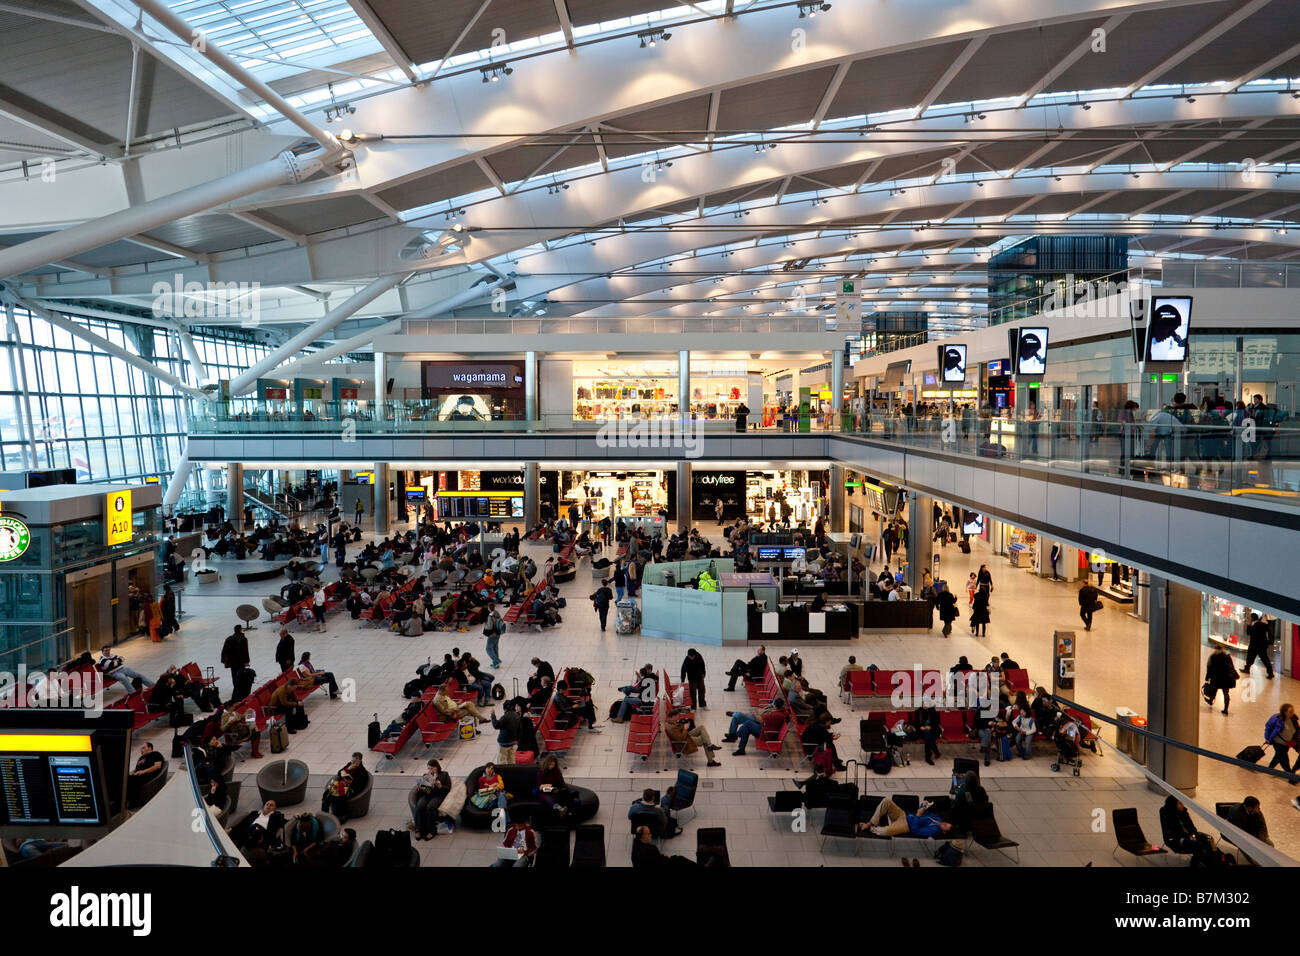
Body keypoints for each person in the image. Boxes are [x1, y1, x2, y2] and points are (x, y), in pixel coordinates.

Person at [857, 797, 954, 839]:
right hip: (904, 815)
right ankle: (871, 822)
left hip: (906, 826)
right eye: (945, 822)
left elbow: (916, 831)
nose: (943, 823)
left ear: (944, 832)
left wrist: (918, 816)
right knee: (886, 801)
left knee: (885, 832)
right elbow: (925, 812)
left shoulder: (933, 831)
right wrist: (923, 805)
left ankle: (870, 828)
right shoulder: (939, 819)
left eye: (944, 826)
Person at [321, 753, 369, 821]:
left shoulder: (362, 772)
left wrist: (351, 783)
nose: (353, 763)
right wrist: (348, 769)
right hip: (341, 785)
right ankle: (324, 814)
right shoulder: (349, 764)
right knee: (327, 793)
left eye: (355, 761)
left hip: (351, 789)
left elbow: (360, 785)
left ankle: (342, 816)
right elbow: (339, 773)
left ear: (359, 761)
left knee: (338, 797)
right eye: (352, 761)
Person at [412, 759, 452, 840]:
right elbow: (423, 789)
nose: (430, 770)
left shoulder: (444, 774)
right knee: (419, 806)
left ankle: (431, 831)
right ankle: (418, 829)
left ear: (437, 767)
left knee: (430, 807)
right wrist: (421, 787)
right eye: (428, 768)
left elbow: (448, 788)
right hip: (427, 794)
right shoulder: (426, 776)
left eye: (432, 768)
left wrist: (440, 786)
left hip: (438, 795)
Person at [1264, 703, 1299, 774]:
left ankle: (1270, 768)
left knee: (1278, 756)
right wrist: (1267, 738)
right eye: (1290, 711)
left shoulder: (1293, 719)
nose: (1292, 713)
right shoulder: (1276, 719)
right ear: (1284, 712)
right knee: (1284, 759)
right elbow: (1268, 727)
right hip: (1277, 742)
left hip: (1287, 743)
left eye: (1293, 711)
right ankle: (1290, 774)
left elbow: (1297, 729)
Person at [220, 625, 251, 705]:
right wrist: (247, 661)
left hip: (233, 663)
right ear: (240, 630)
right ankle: (240, 692)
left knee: (234, 676)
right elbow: (245, 651)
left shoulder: (229, 639)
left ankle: (236, 690)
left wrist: (224, 661)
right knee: (241, 676)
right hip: (240, 662)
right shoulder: (243, 639)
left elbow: (224, 650)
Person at [1204, 645, 1238, 715]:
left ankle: (1210, 700)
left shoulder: (1213, 657)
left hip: (1216, 678)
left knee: (1214, 689)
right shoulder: (1227, 657)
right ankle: (1226, 709)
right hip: (1226, 679)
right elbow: (1232, 667)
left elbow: (1209, 668)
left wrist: (1207, 677)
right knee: (1226, 693)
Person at [490, 699, 520, 764]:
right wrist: (517, 739)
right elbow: (519, 729)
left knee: (502, 759)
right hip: (512, 741)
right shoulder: (517, 715)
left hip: (504, 742)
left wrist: (493, 715)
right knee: (511, 758)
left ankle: (503, 772)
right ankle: (511, 771)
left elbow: (496, 725)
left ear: (504, 708)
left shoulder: (505, 717)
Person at [1245, 613, 1275, 679]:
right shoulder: (1260, 624)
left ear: (1252, 618)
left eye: (1250, 617)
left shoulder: (1257, 625)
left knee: (1263, 659)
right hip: (1259, 645)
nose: (1249, 619)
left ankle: (1270, 673)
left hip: (1257, 646)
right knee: (1252, 658)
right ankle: (1247, 668)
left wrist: (1248, 625)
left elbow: (1249, 632)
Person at [483, 603, 504, 669]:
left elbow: (489, 627)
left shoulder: (490, 616)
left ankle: (497, 661)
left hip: (492, 635)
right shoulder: (497, 613)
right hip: (498, 633)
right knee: (495, 647)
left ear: (489, 608)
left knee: (488, 649)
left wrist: (485, 625)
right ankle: (495, 664)